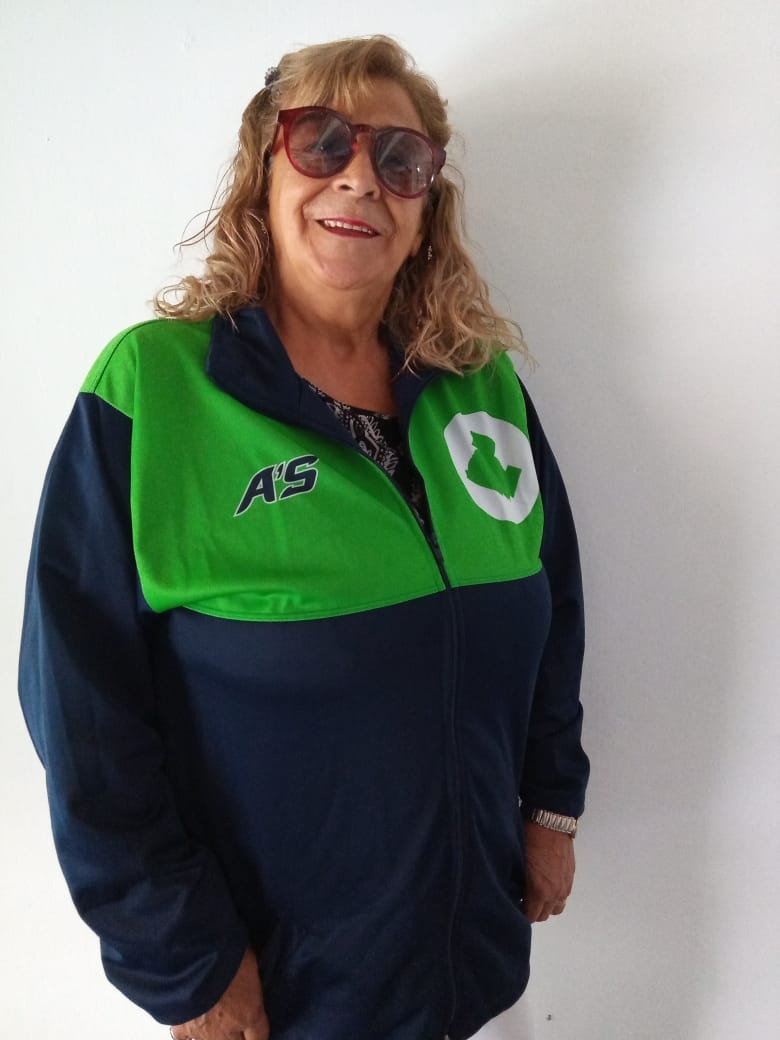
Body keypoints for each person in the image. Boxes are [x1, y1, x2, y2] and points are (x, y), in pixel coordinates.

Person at [19, 34, 588, 1040]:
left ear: (427, 209)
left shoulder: (481, 385)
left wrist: (550, 806)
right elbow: (82, 707)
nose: (362, 176)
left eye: (401, 159)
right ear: (264, 173)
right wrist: (185, 961)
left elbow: (553, 606)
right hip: (284, 990)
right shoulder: (156, 389)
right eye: (323, 141)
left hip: (470, 965)